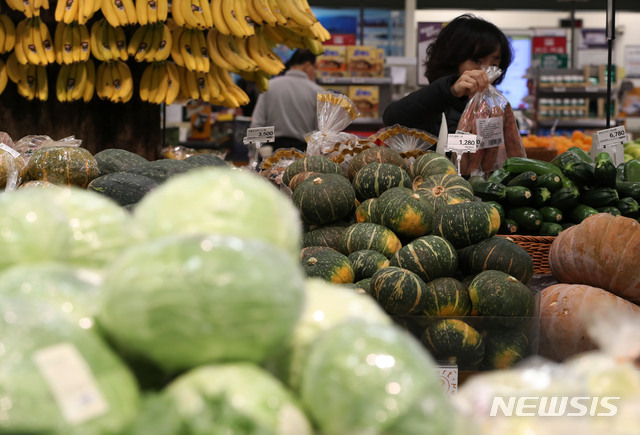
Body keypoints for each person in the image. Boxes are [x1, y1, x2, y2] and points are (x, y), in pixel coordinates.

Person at [383, 14, 513, 139]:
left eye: (494, 65)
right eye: (477, 61)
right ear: (453, 59)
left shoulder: (496, 110)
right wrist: (451, 90)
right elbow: (392, 119)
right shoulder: (434, 103)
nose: (484, 72)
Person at [250, 49, 324, 152]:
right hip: (302, 155)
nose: (315, 72)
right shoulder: (317, 91)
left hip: (270, 152)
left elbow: (257, 123)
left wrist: (258, 151)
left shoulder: (269, 86)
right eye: (315, 68)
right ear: (307, 65)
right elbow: (320, 131)